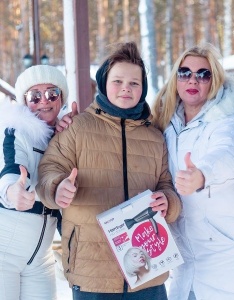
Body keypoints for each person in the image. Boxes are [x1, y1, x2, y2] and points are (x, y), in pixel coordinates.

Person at [36, 42, 181, 300]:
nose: (126, 87)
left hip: (147, 272)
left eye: (134, 83)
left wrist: (167, 201)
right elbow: (49, 169)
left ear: (143, 88)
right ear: (104, 83)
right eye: (118, 81)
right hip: (92, 271)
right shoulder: (78, 128)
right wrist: (57, 189)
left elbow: (166, 184)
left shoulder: (154, 136)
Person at [151, 42, 234, 300]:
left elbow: (230, 154)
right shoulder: (167, 123)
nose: (193, 79)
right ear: (175, 79)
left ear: (215, 80)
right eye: (185, 73)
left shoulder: (229, 120)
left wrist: (202, 175)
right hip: (189, 258)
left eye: (203, 74)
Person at [0, 65, 69, 300]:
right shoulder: (15, 131)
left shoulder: (66, 136)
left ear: (62, 98)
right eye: (34, 96)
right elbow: (11, 165)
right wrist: (12, 191)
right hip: (4, 255)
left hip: (41, 260)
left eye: (52, 93)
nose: (43, 102)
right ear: (24, 100)